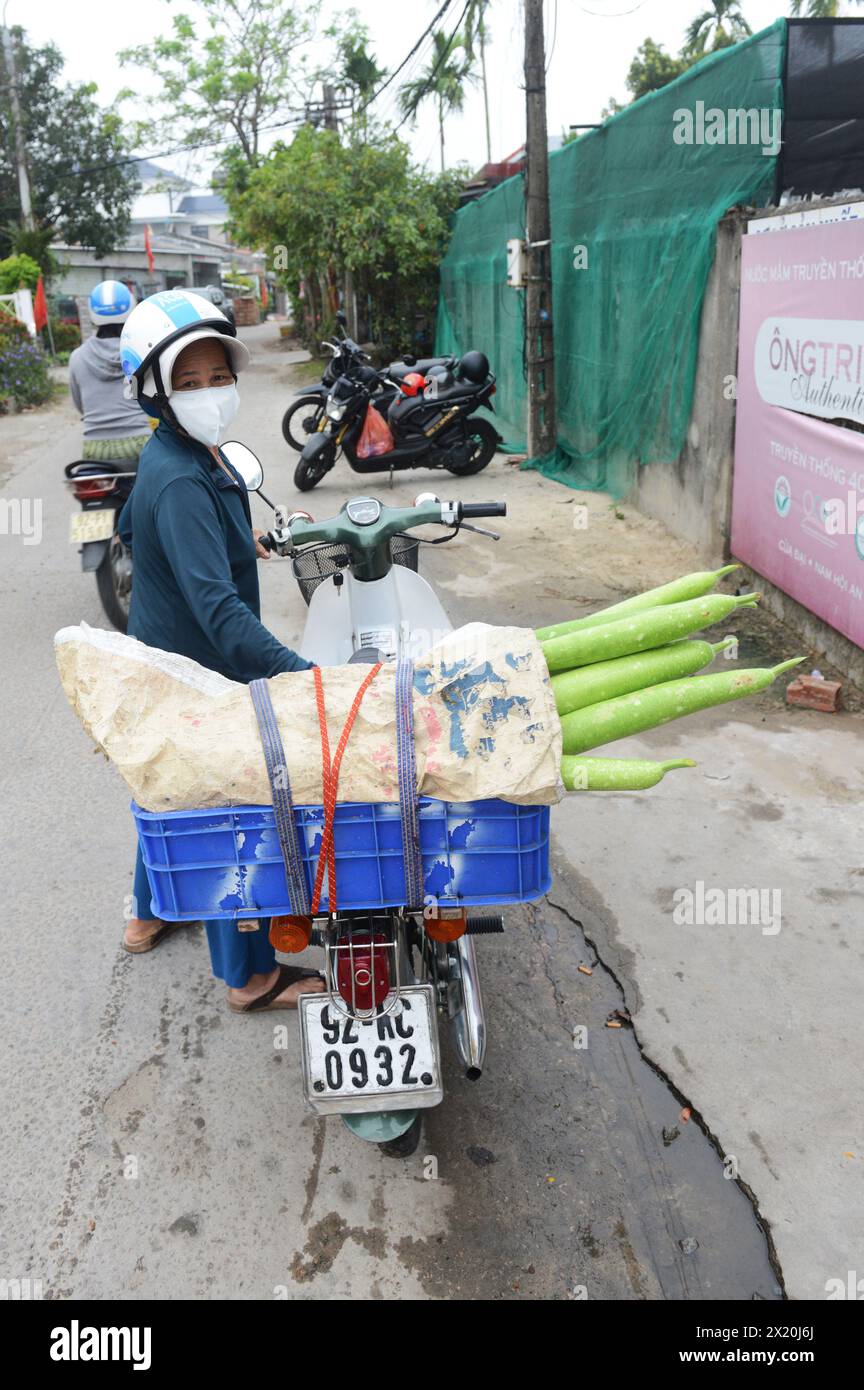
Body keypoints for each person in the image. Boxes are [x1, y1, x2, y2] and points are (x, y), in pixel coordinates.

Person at [117, 288, 324, 1012]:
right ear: (152, 391)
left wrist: (255, 541)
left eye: (219, 377)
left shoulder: (188, 453)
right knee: (232, 819)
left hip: (167, 661)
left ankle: (149, 913)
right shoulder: (177, 476)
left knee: (170, 799)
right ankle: (249, 976)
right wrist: (305, 678)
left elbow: (141, 534)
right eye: (188, 381)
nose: (210, 393)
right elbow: (220, 612)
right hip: (196, 676)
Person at [68, 281, 152, 461]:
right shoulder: (141, 352)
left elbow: (80, 405)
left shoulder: (77, 357)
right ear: (131, 309)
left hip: (95, 450)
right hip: (142, 446)